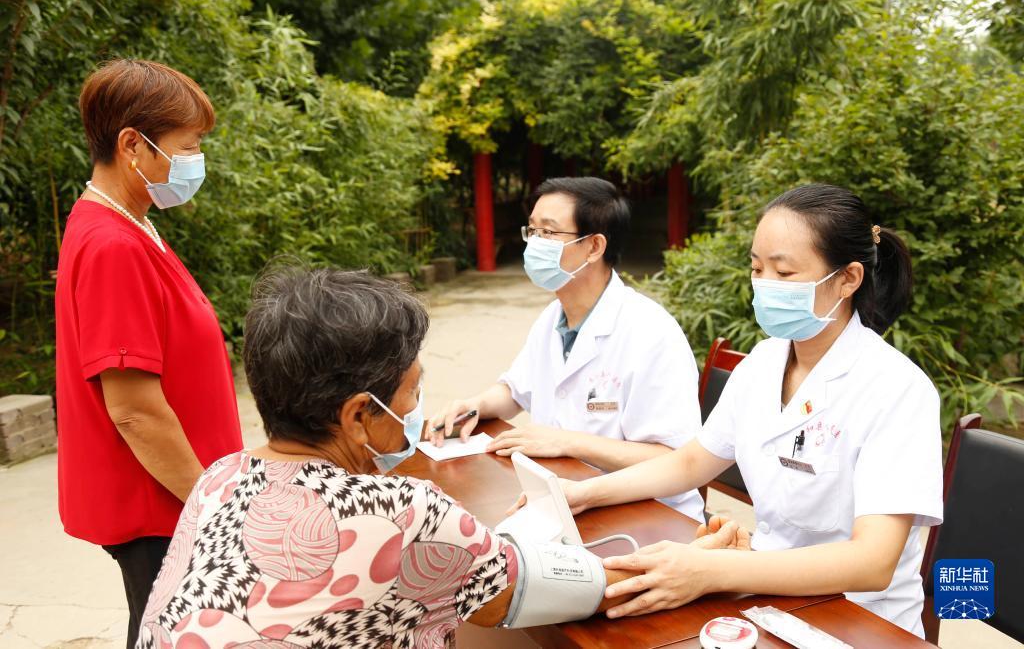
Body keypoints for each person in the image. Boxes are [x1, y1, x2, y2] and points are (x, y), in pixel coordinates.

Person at [135, 268, 747, 648]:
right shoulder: (403, 514)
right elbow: (581, 589)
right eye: (411, 390)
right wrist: (697, 563)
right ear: (358, 415)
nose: (416, 408)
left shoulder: (218, 478)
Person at [545, 184, 943, 638]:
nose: (764, 284)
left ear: (848, 278)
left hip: (858, 623)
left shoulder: (897, 389)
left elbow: (871, 562)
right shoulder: (763, 362)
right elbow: (692, 462)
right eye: (757, 268)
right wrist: (584, 494)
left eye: (784, 272)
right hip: (768, 596)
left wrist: (712, 571)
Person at [54, 59, 243, 648]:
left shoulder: (131, 224)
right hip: (160, 505)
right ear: (133, 145)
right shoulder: (112, 244)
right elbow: (134, 409)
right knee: (170, 631)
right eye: (188, 147)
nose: (196, 161)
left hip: (176, 498)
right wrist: (212, 507)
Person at [428, 177, 705, 521]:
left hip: (647, 513)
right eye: (532, 230)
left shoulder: (651, 332)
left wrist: (565, 441)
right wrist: (475, 405)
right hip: (563, 497)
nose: (535, 244)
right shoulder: (553, 317)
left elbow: (674, 460)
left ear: (594, 247)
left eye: (548, 232)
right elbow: (515, 391)